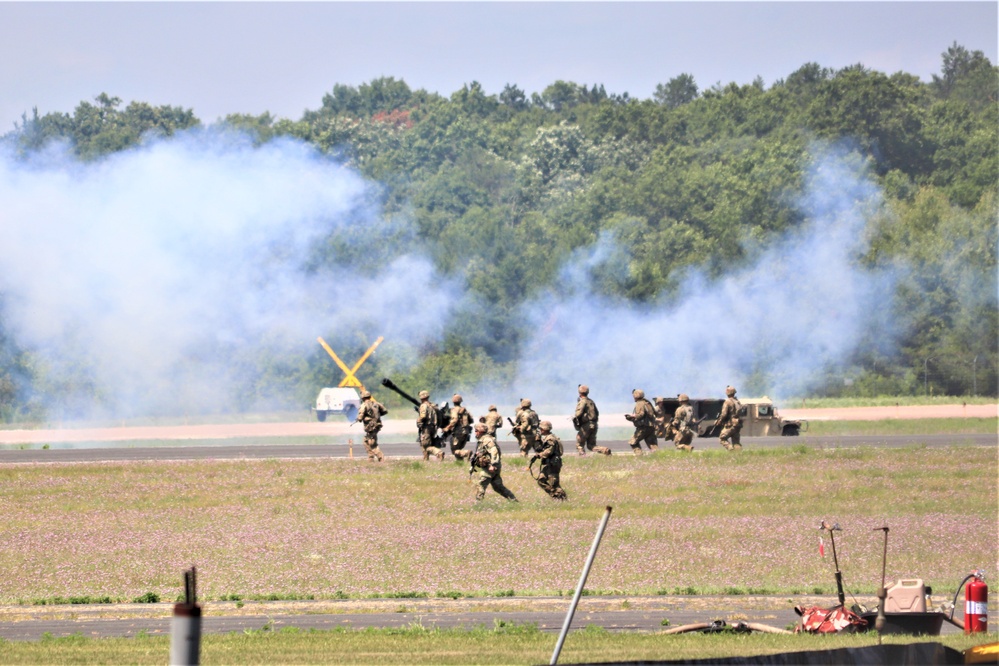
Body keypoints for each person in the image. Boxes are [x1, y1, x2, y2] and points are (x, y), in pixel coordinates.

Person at [470, 423, 517, 502]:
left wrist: (493, 465)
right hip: (490, 467)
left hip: (490, 467)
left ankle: (478, 504)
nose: (475, 433)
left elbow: (494, 451)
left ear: (480, 431)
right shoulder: (482, 440)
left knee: (481, 484)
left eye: (476, 431)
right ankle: (514, 501)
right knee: (498, 487)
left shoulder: (487, 440)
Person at [532, 421, 568, 500]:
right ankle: (555, 495)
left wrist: (540, 455)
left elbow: (548, 451)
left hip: (553, 464)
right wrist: (537, 440)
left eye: (541, 429)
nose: (540, 430)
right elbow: (540, 448)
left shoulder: (550, 439)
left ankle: (563, 500)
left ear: (545, 429)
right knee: (541, 480)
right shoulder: (547, 438)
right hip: (549, 464)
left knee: (554, 484)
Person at [574, 385, 611, 456]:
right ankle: (605, 450)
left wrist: (575, 417)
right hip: (594, 424)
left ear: (580, 393)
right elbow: (597, 413)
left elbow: (578, 413)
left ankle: (583, 457)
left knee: (579, 444)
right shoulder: (591, 402)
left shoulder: (582, 402)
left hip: (586, 425)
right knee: (591, 445)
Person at [355, 389, 387, 462]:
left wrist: (360, 419)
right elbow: (384, 411)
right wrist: (376, 415)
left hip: (370, 427)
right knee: (366, 441)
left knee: (372, 444)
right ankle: (370, 458)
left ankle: (381, 458)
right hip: (377, 425)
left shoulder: (364, 405)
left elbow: (361, 415)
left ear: (363, 397)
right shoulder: (376, 404)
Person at [625, 388, 658, 455]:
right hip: (651, 427)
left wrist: (633, 417)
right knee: (652, 444)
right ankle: (659, 456)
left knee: (633, 442)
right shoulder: (647, 403)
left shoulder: (640, 403)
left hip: (643, 427)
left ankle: (639, 456)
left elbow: (641, 414)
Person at [444, 394, 474, 460]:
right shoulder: (465, 410)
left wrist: (447, 428)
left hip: (458, 432)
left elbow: (454, 419)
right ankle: (460, 463)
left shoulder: (454, 410)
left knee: (455, 451)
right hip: (466, 432)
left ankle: (467, 453)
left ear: (453, 401)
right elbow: (471, 420)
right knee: (459, 450)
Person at [417, 390, 444, 461]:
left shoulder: (423, 405)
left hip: (426, 428)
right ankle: (426, 461)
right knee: (424, 445)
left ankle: (438, 452)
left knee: (426, 446)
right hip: (433, 428)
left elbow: (423, 416)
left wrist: (418, 421)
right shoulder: (433, 406)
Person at [715, 385, 743, 450]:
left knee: (722, 438)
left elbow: (724, 414)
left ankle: (731, 449)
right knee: (736, 441)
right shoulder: (737, 401)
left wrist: (719, 421)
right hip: (737, 424)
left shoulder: (727, 402)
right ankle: (738, 453)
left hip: (730, 425)